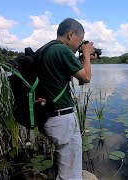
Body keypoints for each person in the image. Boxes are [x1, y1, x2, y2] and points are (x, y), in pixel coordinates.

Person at [36, 18, 96, 180]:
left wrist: (85, 58)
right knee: (70, 173)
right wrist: (86, 55)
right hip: (62, 117)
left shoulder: (46, 49)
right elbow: (86, 78)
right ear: (71, 34)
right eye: (80, 40)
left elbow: (78, 79)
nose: (80, 45)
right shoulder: (62, 51)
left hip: (48, 115)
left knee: (67, 166)